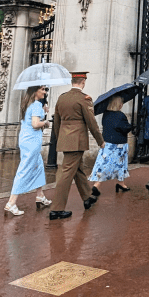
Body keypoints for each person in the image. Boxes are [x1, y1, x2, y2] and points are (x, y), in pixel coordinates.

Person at [49, 72, 105, 221]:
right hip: (77, 140)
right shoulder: (84, 99)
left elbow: (57, 122)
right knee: (66, 174)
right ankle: (57, 209)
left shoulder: (62, 98)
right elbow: (91, 123)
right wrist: (100, 140)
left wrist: (60, 137)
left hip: (66, 139)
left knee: (78, 168)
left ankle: (87, 197)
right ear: (83, 82)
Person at [4, 84, 52, 216]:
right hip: (32, 141)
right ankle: (11, 202)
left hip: (26, 139)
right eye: (42, 89)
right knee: (24, 170)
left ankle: (40, 195)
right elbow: (35, 124)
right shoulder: (36, 105)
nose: (44, 92)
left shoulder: (29, 104)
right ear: (35, 91)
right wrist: (46, 123)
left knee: (38, 166)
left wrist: (44, 110)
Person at [89, 95, 133, 196]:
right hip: (119, 144)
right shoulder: (120, 115)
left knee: (104, 163)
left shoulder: (106, 114)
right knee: (119, 164)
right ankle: (97, 185)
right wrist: (130, 125)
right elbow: (125, 128)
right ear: (118, 104)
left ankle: (121, 183)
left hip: (107, 143)